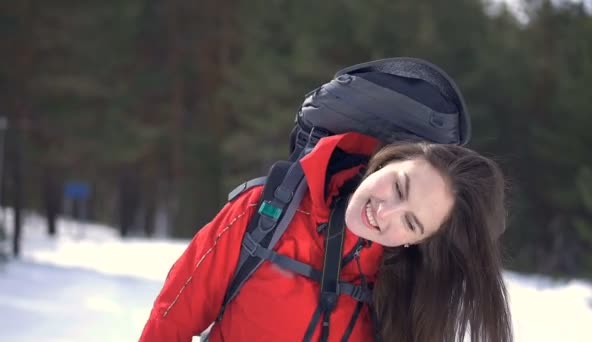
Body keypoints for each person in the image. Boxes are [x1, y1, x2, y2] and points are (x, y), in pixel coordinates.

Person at [139, 58, 513, 342]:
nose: (385, 213)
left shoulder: (409, 293)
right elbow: (168, 323)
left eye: (411, 222)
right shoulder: (265, 211)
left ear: (416, 241)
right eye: (399, 188)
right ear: (390, 158)